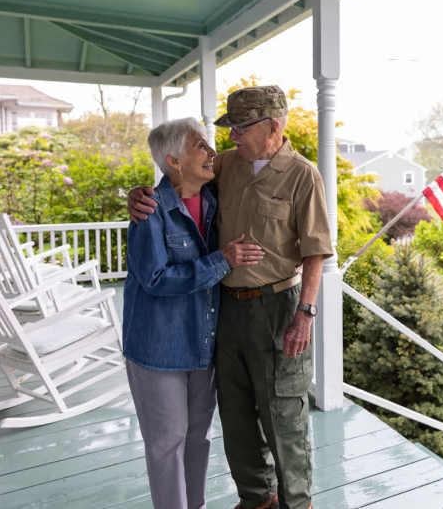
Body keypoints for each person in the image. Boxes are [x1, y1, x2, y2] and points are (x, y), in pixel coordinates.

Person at [129, 86, 333, 509]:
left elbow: (316, 252)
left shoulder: (303, 175)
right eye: (229, 128)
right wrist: (138, 195)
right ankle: (257, 498)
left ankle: (297, 502)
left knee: (283, 416)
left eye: (241, 127)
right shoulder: (227, 166)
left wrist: (306, 314)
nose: (230, 136)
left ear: (274, 126)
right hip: (223, 309)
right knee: (236, 413)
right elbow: (175, 175)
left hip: (276, 307)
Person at [123, 117, 264, 509]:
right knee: (167, 442)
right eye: (200, 145)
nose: (210, 152)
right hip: (158, 347)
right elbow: (155, 278)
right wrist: (223, 260)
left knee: (198, 436)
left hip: (202, 344)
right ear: (174, 160)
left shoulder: (215, 200)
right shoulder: (150, 210)